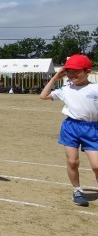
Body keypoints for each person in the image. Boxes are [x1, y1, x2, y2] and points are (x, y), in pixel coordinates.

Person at [40, 54, 98, 207]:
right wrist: (55, 78)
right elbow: (43, 96)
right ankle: (77, 191)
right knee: (72, 162)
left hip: (93, 128)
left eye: (76, 71)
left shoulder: (95, 88)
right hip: (71, 127)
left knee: (96, 166)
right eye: (69, 71)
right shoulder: (66, 89)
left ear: (87, 72)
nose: (72, 75)